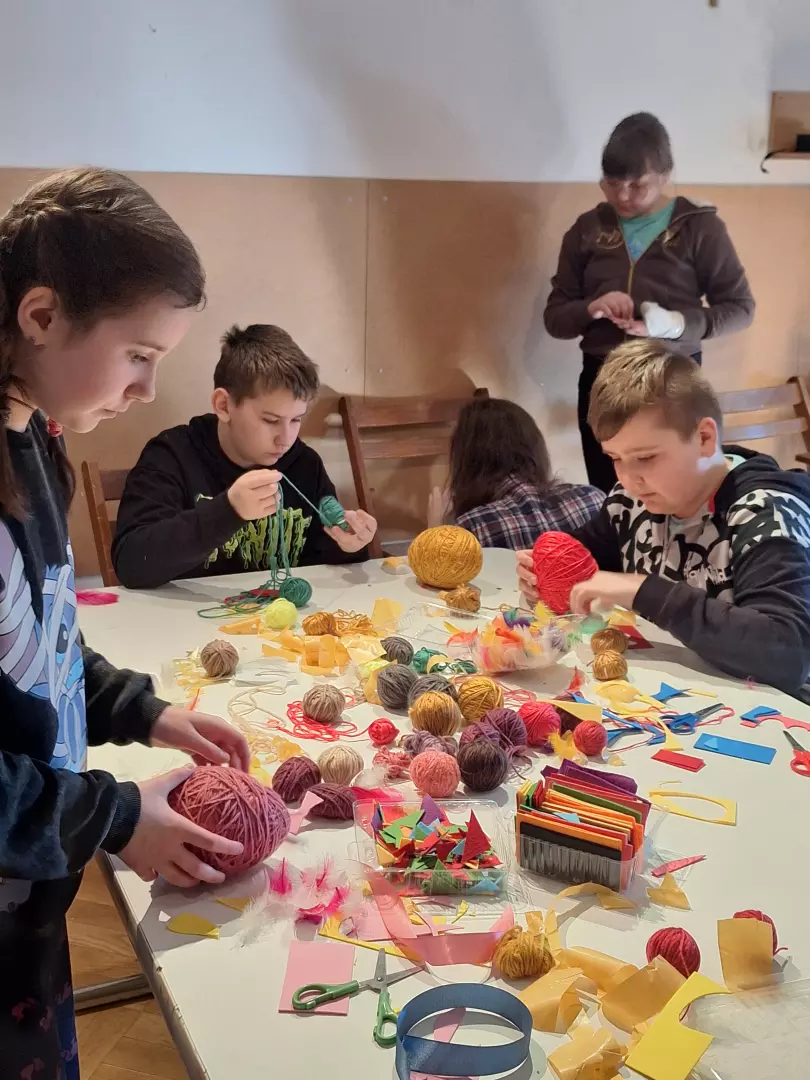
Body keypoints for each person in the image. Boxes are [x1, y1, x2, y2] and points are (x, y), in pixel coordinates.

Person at [0, 169, 252, 1078]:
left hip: (30, 880)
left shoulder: (36, 436)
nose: (149, 388)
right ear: (41, 315)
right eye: (139, 354)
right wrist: (112, 814)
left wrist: (138, 709)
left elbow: (39, 637)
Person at [516, 341, 810, 696]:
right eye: (615, 458)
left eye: (646, 457)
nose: (628, 479)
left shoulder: (766, 514)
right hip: (679, 699)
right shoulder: (630, 502)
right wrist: (544, 574)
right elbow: (588, 561)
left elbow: (789, 654)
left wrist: (644, 591)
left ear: (704, 438)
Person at [544, 111, 755, 493]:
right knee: (612, 492)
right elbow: (556, 318)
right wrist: (592, 306)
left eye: (637, 185)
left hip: (672, 380)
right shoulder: (587, 229)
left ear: (664, 175)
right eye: (611, 184)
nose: (622, 196)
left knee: (676, 492)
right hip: (602, 378)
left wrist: (674, 324)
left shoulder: (699, 227)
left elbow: (740, 308)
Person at [112, 324, 377, 589]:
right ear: (224, 406)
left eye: (296, 420)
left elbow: (325, 561)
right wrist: (229, 510)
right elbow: (131, 565)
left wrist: (349, 545)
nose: (285, 439)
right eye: (270, 420)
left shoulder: (304, 464)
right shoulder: (172, 456)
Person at [427, 397, 602, 549]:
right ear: (534, 446)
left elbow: (438, 574)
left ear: (468, 461)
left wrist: (435, 530)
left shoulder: (471, 528)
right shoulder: (592, 498)